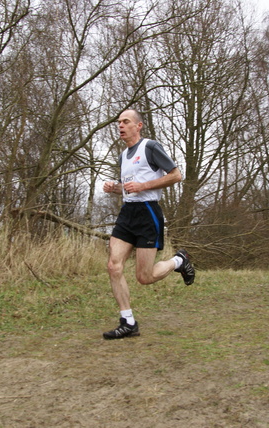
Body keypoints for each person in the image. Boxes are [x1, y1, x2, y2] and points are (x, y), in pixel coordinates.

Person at [102, 109, 195, 339]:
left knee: (144, 277)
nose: (120, 126)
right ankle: (128, 322)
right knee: (114, 266)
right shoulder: (123, 156)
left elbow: (176, 175)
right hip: (127, 214)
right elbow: (129, 187)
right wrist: (116, 188)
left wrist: (143, 186)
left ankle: (178, 261)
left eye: (125, 122)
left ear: (138, 125)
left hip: (148, 213)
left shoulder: (150, 147)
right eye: (118, 123)